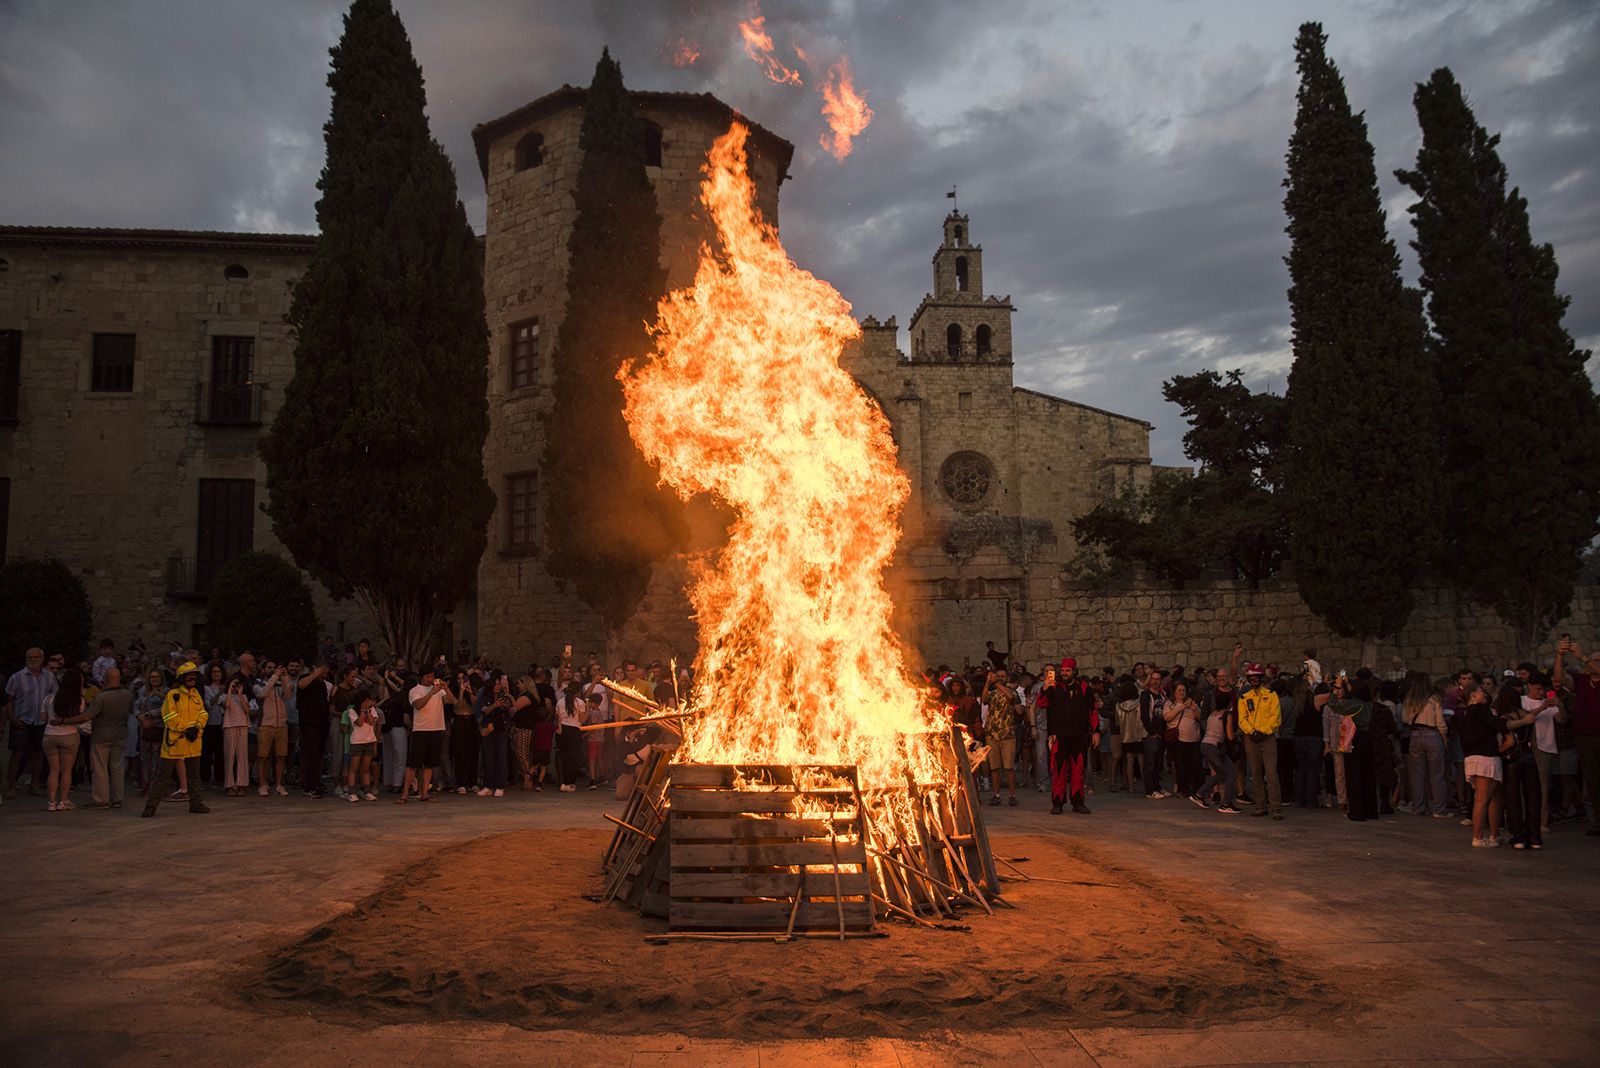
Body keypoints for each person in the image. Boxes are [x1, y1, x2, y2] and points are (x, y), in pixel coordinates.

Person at [141, 663, 210, 817]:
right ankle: (151, 806)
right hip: (175, 743)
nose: (192, 679)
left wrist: (197, 727)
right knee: (163, 777)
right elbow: (168, 716)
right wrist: (187, 728)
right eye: (189, 676)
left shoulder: (196, 695)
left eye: (194, 676)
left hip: (192, 742)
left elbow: (203, 713)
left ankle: (196, 804)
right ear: (182, 678)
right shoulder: (173, 695)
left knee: (194, 777)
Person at [1551, 637, 1600, 837]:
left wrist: (1583, 656)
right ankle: (1598, 819)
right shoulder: (1581, 681)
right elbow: (1560, 679)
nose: (1593, 664)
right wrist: (1559, 656)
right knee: (1593, 780)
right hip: (1584, 736)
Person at [1038, 659, 1099, 815]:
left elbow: (1093, 711)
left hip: (1079, 736)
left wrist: (1096, 731)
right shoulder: (1053, 687)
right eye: (1063, 671)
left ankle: (1078, 802)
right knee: (1059, 771)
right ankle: (1057, 803)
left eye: (1068, 671)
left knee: (1078, 771)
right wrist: (1045, 687)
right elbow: (1042, 703)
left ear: (1074, 671)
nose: (1065, 673)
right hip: (1059, 736)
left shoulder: (1085, 689)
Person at [1457, 681, 1506, 847]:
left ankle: (1494, 834)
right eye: (1480, 692)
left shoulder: (1463, 714)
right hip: (1486, 757)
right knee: (1483, 799)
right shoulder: (1479, 711)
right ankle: (1478, 837)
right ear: (1473, 695)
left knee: (1494, 797)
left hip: (1472, 756)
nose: (1484, 694)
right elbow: (1500, 725)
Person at [5, 646, 59, 798]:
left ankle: (34, 785)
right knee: (17, 753)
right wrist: (13, 718)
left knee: (38, 753)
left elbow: (54, 698)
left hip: (41, 722)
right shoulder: (16, 677)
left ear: (42, 659)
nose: (32, 660)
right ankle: (12, 786)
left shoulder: (49, 677)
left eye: (35, 657)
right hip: (21, 720)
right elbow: (9, 700)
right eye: (29, 658)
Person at [1237, 664, 1283, 819]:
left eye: (1257, 677)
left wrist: (1263, 731)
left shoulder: (1271, 695)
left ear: (1261, 678)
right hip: (1251, 738)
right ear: (1249, 679)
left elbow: (1275, 717)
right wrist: (1252, 731)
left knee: (1271, 774)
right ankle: (1260, 805)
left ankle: (1276, 807)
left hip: (1267, 738)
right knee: (1255, 773)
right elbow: (1242, 719)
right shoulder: (1244, 698)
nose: (1254, 679)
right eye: (1251, 677)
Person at [398, 666, 449, 803]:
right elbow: (418, 705)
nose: (430, 679)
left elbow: (449, 702)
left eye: (432, 676)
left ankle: (424, 793)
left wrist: (445, 688)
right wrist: (431, 692)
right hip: (420, 730)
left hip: (436, 728)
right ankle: (405, 794)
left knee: (429, 764)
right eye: (428, 677)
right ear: (422, 677)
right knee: (413, 764)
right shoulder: (415, 690)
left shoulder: (438, 689)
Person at [85, 665, 132, 809]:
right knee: (117, 767)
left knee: (100, 768)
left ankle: (101, 799)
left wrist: (66, 721)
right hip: (120, 735)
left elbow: (89, 715)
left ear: (105, 679)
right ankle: (117, 798)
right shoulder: (127, 694)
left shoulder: (101, 697)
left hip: (101, 736)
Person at [1403, 677, 1451, 817]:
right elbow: (1440, 722)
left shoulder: (1410, 699)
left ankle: (1418, 807)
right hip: (1432, 734)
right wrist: (1444, 737)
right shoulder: (1434, 699)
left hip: (1415, 735)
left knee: (1417, 774)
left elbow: (1405, 719)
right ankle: (1438, 808)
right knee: (1436, 774)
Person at [1332, 677, 1378, 822]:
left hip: (1355, 738)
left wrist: (1336, 688)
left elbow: (1334, 705)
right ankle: (1371, 810)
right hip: (1367, 738)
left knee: (1354, 776)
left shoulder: (1353, 704)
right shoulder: (1369, 703)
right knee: (1368, 776)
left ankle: (1357, 811)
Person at [44, 669, 90, 812]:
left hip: (50, 735)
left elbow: (43, 717)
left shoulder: (50, 698)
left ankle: (51, 801)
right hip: (69, 734)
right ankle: (64, 800)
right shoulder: (79, 700)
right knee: (66, 771)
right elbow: (81, 718)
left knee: (53, 770)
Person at [1197, 679, 1238, 813]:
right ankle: (1226, 803)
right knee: (1231, 773)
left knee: (1220, 773)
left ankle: (1199, 794)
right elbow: (1230, 736)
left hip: (1205, 745)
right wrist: (1239, 733)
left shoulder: (1212, 715)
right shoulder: (1227, 715)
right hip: (1215, 747)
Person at [982, 669, 1019, 806]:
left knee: (1009, 767)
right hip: (992, 734)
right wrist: (987, 684)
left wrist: (997, 683)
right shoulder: (992, 693)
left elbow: (1010, 697)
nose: (1000, 678)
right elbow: (984, 700)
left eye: (1003, 676)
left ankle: (1012, 795)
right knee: (995, 767)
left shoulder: (1012, 691)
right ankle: (996, 795)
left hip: (1007, 734)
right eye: (998, 676)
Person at [254, 664, 292, 796]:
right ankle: (262, 784)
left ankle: (278, 784)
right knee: (263, 756)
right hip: (266, 724)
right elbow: (262, 694)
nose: (271, 670)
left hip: (281, 724)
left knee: (281, 756)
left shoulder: (280, 683)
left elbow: (288, 696)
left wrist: (284, 679)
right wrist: (275, 677)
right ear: (263, 669)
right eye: (269, 667)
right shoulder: (258, 683)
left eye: (274, 668)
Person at [214, 674, 256, 797]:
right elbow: (227, 705)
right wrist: (229, 690)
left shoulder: (243, 696)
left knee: (242, 756)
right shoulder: (223, 697)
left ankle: (242, 784)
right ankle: (229, 785)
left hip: (242, 725)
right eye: (233, 684)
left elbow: (247, 711)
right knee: (229, 756)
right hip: (229, 725)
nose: (235, 686)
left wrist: (239, 694)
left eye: (238, 684)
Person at [297, 662, 333, 798]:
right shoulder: (306, 679)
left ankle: (315, 782)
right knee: (312, 753)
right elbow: (301, 685)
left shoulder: (323, 684)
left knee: (318, 755)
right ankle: (311, 785)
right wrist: (315, 674)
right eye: (322, 671)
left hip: (322, 724)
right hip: (309, 724)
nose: (324, 674)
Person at [1166, 683, 1203, 802]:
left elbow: (1200, 717)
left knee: (1195, 765)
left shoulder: (1192, 704)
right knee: (1181, 765)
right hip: (1179, 740)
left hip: (1193, 739)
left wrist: (1193, 707)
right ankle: (1183, 789)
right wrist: (1179, 707)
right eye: (1179, 690)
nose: (1182, 693)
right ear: (1175, 692)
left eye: (1184, 690)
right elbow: (1167, 717)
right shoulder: (1170, 704)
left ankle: (1197, 789)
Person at [342, 692, 381, 802]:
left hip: (369, 741)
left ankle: (367, 791)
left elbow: (372, 722)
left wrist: (368, 712)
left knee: (365, 768)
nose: (370, 702)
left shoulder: (372, 710)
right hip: (357, 742)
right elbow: (358, 723)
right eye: (368, 700)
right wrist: (362, 712)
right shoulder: (352, 711)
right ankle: (351, 791)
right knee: (353, 767)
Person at [477, 674, 511, 798]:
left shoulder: (504, 696)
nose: (497, 686)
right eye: (495, 684)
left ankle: (500, 785)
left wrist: (508, 697)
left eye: (499, 684)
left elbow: (510, 710)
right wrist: (494, 705)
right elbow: (484, 710)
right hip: (489, 729)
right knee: (489, 758)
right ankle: (488, 785)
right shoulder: (485, 696)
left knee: (501, 757)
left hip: (501, 729)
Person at [1138, 669, 1168, 798]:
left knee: (1158, 762)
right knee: (1150, 762)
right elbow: (1145, 715)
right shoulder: (1146, 695)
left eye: (1158, 679)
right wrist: (1151, 731)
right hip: (1151, 733)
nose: (1156, 681)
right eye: (1153, 679)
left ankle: (1157, 786)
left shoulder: (1162, 695)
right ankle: (1150, 789)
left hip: (1161, 732)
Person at [556, 686, 587, 792]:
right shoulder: (580, 703)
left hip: (562, 731)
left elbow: (557, 718)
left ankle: (564, 781)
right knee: (573, 758)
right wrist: (587, 710)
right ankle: (568, 782)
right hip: (574, 730)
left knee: (564, 757)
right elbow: (582, 720)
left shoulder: (560, 702)